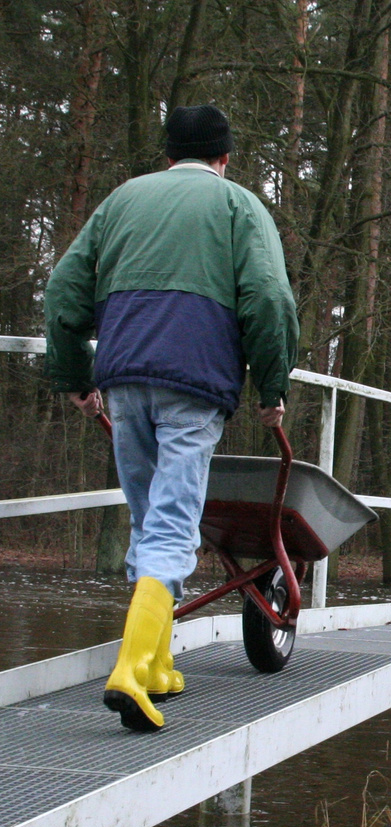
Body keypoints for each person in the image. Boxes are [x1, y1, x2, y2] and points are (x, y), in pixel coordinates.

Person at [44, 105, 299, 732]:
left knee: (147, 517)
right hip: (193, 385)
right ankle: (131, 672)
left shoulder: (123, 200)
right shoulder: (239, 207)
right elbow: (268, 298)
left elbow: (61, 293)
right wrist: (271, 388)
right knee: (173, 526)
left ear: (167, 154)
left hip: (125, 379)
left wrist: (78, 379)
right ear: (225, 156)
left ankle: (158, 665)